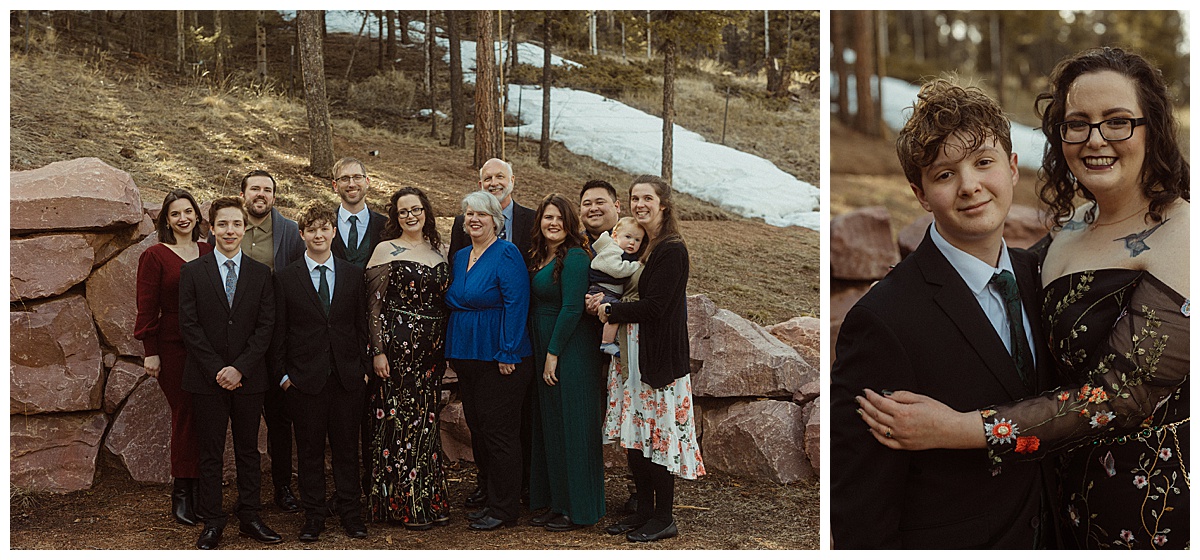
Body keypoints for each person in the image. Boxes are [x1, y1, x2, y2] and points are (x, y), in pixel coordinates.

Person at [857, 47, 1189, 550]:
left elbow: (1121, 398)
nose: (1095, 139)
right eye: (1077, 123)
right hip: (1057, 517)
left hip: (1151, 516)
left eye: (1117, 122)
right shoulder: (1063, 238)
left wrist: (964, 429)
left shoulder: (1186, 236)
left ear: (1153, 129)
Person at [829, 79, 1058, 549]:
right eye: (944, 174)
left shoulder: (1041, 277)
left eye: (984, 162)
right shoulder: (882, 320)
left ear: (1013, 168)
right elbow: (861, 507)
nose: (970, 185)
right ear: (920, 192)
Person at [595, 175, 704, 543]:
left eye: (647, 198)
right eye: (634, 198)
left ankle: (663, 517)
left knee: (658, 439)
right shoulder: (644, 244)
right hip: (633, 357)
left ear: (664, 204)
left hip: (657, 362)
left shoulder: (672, 249)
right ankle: (642, 511)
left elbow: (657, 307)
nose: (640, 204)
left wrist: (612, 309)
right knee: (637, 437)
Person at [179, 197, 280, 550]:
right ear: (210, 228)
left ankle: (250, 515)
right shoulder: (193, 272)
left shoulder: (259, 273)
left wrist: (240, 368)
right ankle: (213, 521)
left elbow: (265, 326)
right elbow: (189, 326)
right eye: (223, 224)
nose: (230, 231)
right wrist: (218, 369)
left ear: (244, 228)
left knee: (248, 450)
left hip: (249, 378)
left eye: (236, 224)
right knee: (210, 451)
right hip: (207, 379)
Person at [270, 203, 369, 542]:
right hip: (304, 380)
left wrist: (363, 371)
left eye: (325, 228)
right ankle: (313, 516)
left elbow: (360, 328)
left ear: (334, 232)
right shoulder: (285, 278)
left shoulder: (353, 275)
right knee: (310, 451)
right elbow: (278, 332)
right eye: (312, 230)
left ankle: (351, 514)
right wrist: (283, 377)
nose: (319, 235)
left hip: (346, 379)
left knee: (346, 450)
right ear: (302, 235)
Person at [448, 157, 537, 510]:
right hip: (467, 355)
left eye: (481, 214)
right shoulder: (461, 257)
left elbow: (517, 305)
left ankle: (505, 507)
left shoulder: (507, 253)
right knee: (479, 429)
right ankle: (489, 494)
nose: (473, 219)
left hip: (500, 357)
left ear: (495, 220)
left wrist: (509, 351)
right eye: (469, 213)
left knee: (500, 433)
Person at [363, 187, 452, 530]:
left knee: (426, 426)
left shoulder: (438, 251)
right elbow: (373, 307)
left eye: (416, 209)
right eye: (403, 212)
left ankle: (429, 497)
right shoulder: (386, 249)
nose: (410, 216)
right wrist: (377, 351)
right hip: (397, 352)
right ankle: (402, 503)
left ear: (426, 212)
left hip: (431, 354)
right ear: (395, 217)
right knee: (400, 425)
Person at [526, 194, 608, 532]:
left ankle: (580, 509)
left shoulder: (575, 257)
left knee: (574, 426)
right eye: (547, 217)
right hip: (545, 344)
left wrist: (553, 353)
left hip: (569, 351)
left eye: (559, 218)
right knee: (552, 427)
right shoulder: (542, 255)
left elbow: (573, 308)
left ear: (569, 222)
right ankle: (557, 502)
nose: (553, 223)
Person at [134, 189, 213, 526]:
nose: (183, 218)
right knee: (185, 414)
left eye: (188, 212)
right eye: (175, 214)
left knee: (205, 417)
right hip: (172, 348)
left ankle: (202, 494)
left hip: (209, 350)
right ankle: (182, 492)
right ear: (166, 220)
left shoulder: (209, 250)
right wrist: (150, 352)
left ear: (197, 216)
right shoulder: (155, 255)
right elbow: (147, 306)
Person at [232, 169, 305, 514]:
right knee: (241, 421)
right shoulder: (230, 228)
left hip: (276, 340)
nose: (261, 194)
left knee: (279, 420)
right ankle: (245, 493)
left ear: (274, 197)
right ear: (243, 194)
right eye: (254, 188)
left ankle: (282, 487)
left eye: (267, 189)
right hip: (235, 342)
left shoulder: (289, 232)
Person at [449, 158, 536, 267]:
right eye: (488, 179)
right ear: (481, 185)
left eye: (500, 177)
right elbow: (454, 266)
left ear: (512, 181)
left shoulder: (533, 220)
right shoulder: (465, 222)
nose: (494, 183)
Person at [588, 217, 646, 356]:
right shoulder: (611, 250)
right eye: (628, 237)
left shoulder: (621, 251)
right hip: (601, 291)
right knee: (615, 311)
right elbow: (617, 270)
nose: (632, 242)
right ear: (615, 236)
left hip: (608, 292)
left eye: (637, 240)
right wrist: (635, 266)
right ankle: (606, 342)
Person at [330, 156, 387, 268]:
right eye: (345, 178)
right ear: (335, 186)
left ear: (367, 182)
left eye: (357, 177)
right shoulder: (325, 224)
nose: (351, 184)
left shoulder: (386, 225)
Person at [579, 179, 622, 246]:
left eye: (600, 202)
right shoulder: (573, 244)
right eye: (587, 204)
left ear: (616, 206)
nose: (593, 209)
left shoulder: (635, 241)